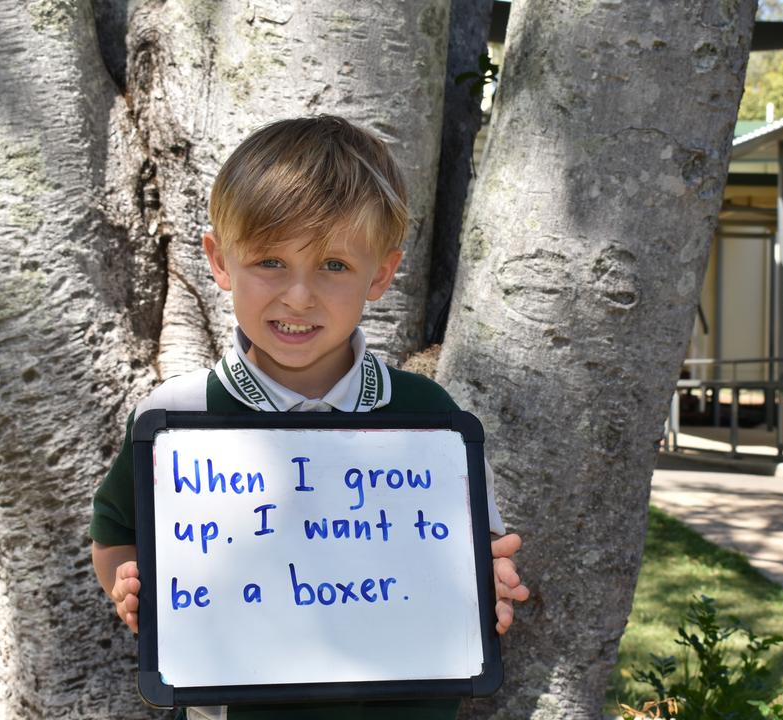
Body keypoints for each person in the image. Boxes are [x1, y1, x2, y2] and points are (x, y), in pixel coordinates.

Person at [90, 115, 530, 720]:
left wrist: (491, 582)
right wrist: (132, 583)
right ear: (220, 262)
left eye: (334, 266)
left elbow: (475, 548)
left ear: (380, 273)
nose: (298, 296)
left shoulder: (431, 419)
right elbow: (115, 533)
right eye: (270, 262)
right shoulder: (174, 420)